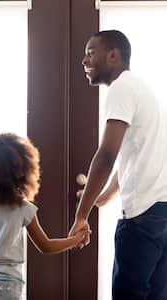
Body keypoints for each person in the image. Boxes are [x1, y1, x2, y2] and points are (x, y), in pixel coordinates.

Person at [69, 29, 167, 300]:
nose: (84, 61)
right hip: (162, 211)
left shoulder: (121, 88)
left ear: (113, 55)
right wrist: (104, 197)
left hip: (143, 217)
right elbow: (131, 155)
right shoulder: (143, 90)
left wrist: (81, 215)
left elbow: (107, 155)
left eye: (90, 53)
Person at [0, 132, 87, 300]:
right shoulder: (22, 208)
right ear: (20, 172)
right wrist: (76, 239)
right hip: (6, 280)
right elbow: (45, 246)